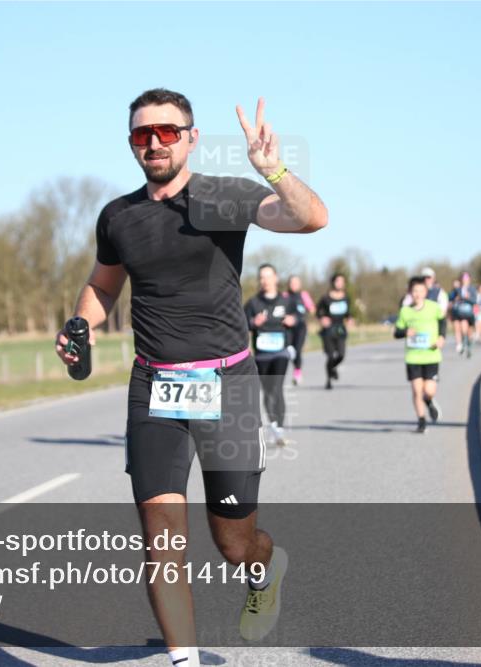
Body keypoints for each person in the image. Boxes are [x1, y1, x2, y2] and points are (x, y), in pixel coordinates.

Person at [55, 89, 328, 664]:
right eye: (141, 134)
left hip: (227, 387)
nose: (154, 142)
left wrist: (272, 169)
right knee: (162, 543)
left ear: (191, 138)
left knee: (232, 543)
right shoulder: (119, 216)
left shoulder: (224, 197)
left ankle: (264, 566)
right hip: (154, 389)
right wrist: (80, 323)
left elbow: (312, 218)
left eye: (167, 132)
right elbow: (104, 285)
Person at [245, 264, 297, 446]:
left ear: (276, 278)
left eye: (268, 276)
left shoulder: (287, 300)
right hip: (261, 355)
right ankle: (274, 426)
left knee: (277, 387)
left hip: (280, 352)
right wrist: (253, 322)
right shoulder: (253, 303)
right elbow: (242, 324)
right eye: (261, 277)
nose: (265, 280)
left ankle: (280, 428)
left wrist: (293, 320)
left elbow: (298, 317)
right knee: (267, 391)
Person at [393, 276, 446, 433]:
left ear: (425, 292)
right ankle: (421, 421)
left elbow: (442, 322)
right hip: (413, 356)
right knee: (416, 390)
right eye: (414, 291)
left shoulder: (433, 307)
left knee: (429, 390)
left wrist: (441, 337)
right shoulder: (405, 311)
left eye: (420, 291)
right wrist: (405, 332)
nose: (417, 294)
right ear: (410, 292)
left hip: (431, 355)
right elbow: (396, 332)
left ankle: (428, 401)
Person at [317, 273, 352, 389]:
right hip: (328, 330)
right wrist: (322, 318)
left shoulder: (346, 297)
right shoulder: (326, 298)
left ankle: (333, 368)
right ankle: (328, 380)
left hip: (340, 329)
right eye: (338, 281)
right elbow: (318, 311)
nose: (340, 283)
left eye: (342, 281)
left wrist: (350, 319)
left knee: (341, 355)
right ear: (333, 282)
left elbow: (348, 313)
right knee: (330, 356)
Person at [283, 275, 315, 385]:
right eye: (292, 282)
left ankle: (297, 372)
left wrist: (308, 310)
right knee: (289, 350)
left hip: (300, 328)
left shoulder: (303, 295)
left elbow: (312, 309)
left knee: (297, 350)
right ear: (288, 284)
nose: (294, 285)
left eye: (296, 282)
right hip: (287, 328)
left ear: (300, 284)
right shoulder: (284, 296)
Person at [448, 272, 478, 357]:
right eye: (463, 279)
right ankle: (462, 343)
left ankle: (469, 345)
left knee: (469, 332)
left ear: (469, 280)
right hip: (459, 312)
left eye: (466, 279)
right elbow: (450, 298)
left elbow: (475, 301)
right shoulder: (458, 289)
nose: (465, 281)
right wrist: (455, 299)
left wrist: (468, 298)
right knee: (461, 327)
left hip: (469, 313)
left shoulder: (472, 289)